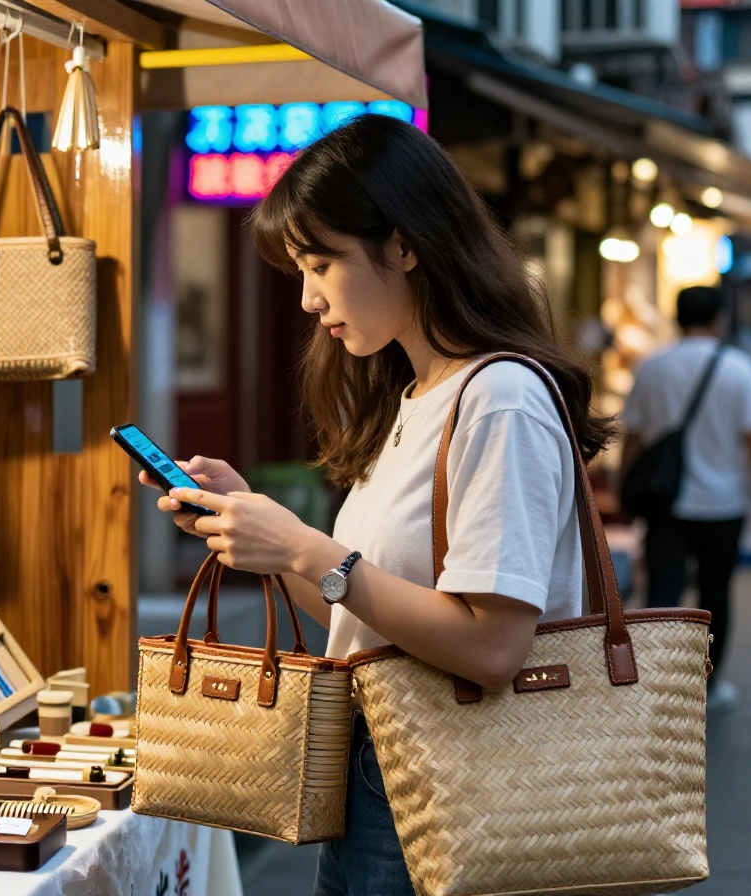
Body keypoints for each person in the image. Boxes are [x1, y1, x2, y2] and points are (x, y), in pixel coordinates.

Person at [139, 115, 612, 896]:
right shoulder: (418, 394)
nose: (306, 298)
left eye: (321, 263)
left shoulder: (497, 398)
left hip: (454, 786)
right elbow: (360, 616)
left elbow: (494, 648)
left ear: (405, 244)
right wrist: (257, 528)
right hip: (384, 773)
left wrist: (305, 549)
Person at [619, 286, 751, 715]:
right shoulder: (739, 368)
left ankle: (662, 681)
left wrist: (623, 484)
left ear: (676, 317)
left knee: (664, 592)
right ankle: (709, 682)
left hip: (666, 501)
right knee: (715, 593)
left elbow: (632, 435)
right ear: (721, 318)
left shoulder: (653, 366)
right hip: (724, 503)